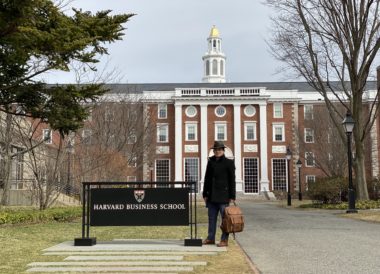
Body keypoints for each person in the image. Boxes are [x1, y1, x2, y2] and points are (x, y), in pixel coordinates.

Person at [202, 141, 236, 247]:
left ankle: (224, 240)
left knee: (225, 220)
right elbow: (207, 178)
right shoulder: (210, 162)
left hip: (223, 196)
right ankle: (210, 238)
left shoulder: (229, 163)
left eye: (219, 150)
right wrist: (205, 193)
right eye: (216, 150)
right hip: (211, 195)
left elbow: (232, 180)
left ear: (223, 151)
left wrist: (232, 196)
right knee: (211, 218)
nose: (217, 151)